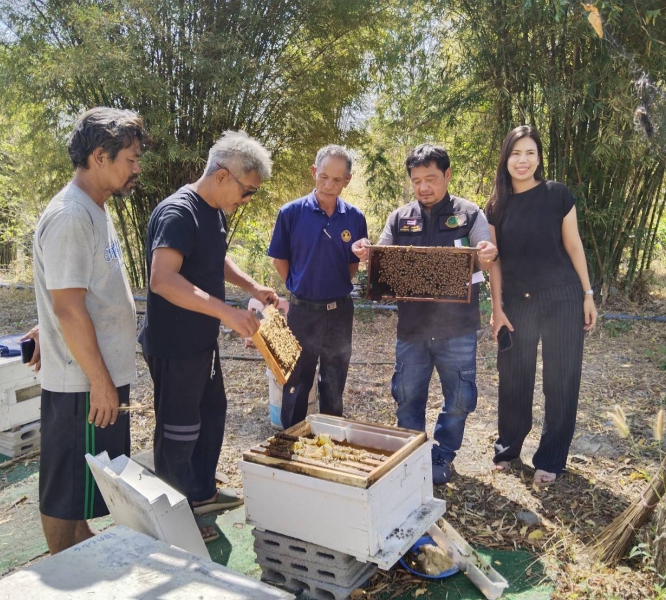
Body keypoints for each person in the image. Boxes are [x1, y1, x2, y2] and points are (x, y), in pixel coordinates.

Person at [138, 131, 277, 521]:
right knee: (179, 430)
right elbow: (162, 279)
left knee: (212, 413)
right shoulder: (178, 212)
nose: (247, 200)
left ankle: (200, 494)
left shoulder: (212, 210)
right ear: (221, 175)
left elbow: (214, 258)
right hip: (175, 344)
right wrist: (227, 312)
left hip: (201, 341)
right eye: (247, 191)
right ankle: (172, 515)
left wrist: (250, 285)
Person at [32, 107, 146, 553]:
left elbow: (70, 290)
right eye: (130, 159)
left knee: (88, 480)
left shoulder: (95, 209)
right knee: (65, 488)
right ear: (100, 156)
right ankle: (60, 565)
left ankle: (82, 549)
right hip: (82, 382)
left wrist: (42, 325)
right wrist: (100, 382)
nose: (136, 168)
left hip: (98, 376)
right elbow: (67, 306)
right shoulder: (71, 216)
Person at [352, 144, 498, 484]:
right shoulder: (400, 217)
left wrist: (488, 252)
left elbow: (484, 253)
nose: (423, 187)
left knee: (460, 399)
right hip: (412, 329)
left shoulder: (470, 213)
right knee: (406, 397)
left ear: (447, 175)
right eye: (417, 181)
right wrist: (366, 253)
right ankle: (411, 456)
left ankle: (443, 456)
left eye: (431, 178)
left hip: (457, 329)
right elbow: (382, 256)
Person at [485, 125, 597, 487]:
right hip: (517, 302)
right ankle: (508, 448)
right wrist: (496, 307)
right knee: (514, 378)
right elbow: (495, 261)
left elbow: (574, 246)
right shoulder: (496, 205)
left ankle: (550, 458)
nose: (523, 160)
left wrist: (587, 294)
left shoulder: (557, 195)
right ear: (506, 158)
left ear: (539, 158)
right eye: (516, 153)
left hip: (562, 298)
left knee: (561, 380)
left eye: (530, 153)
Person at [267, 145, 368, 429]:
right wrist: (297, 285)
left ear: (347, 180)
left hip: (339, 312)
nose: (329, 185)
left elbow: (352, 264)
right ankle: (291, 440)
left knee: (334, 381)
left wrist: (334, 286)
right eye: (323, 177)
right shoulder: (291, 213)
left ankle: (330, 439)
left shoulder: (354, 218)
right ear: (314, 172)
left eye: (337, 180)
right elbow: (280, 258)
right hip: (302, 312)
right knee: (295, 382)